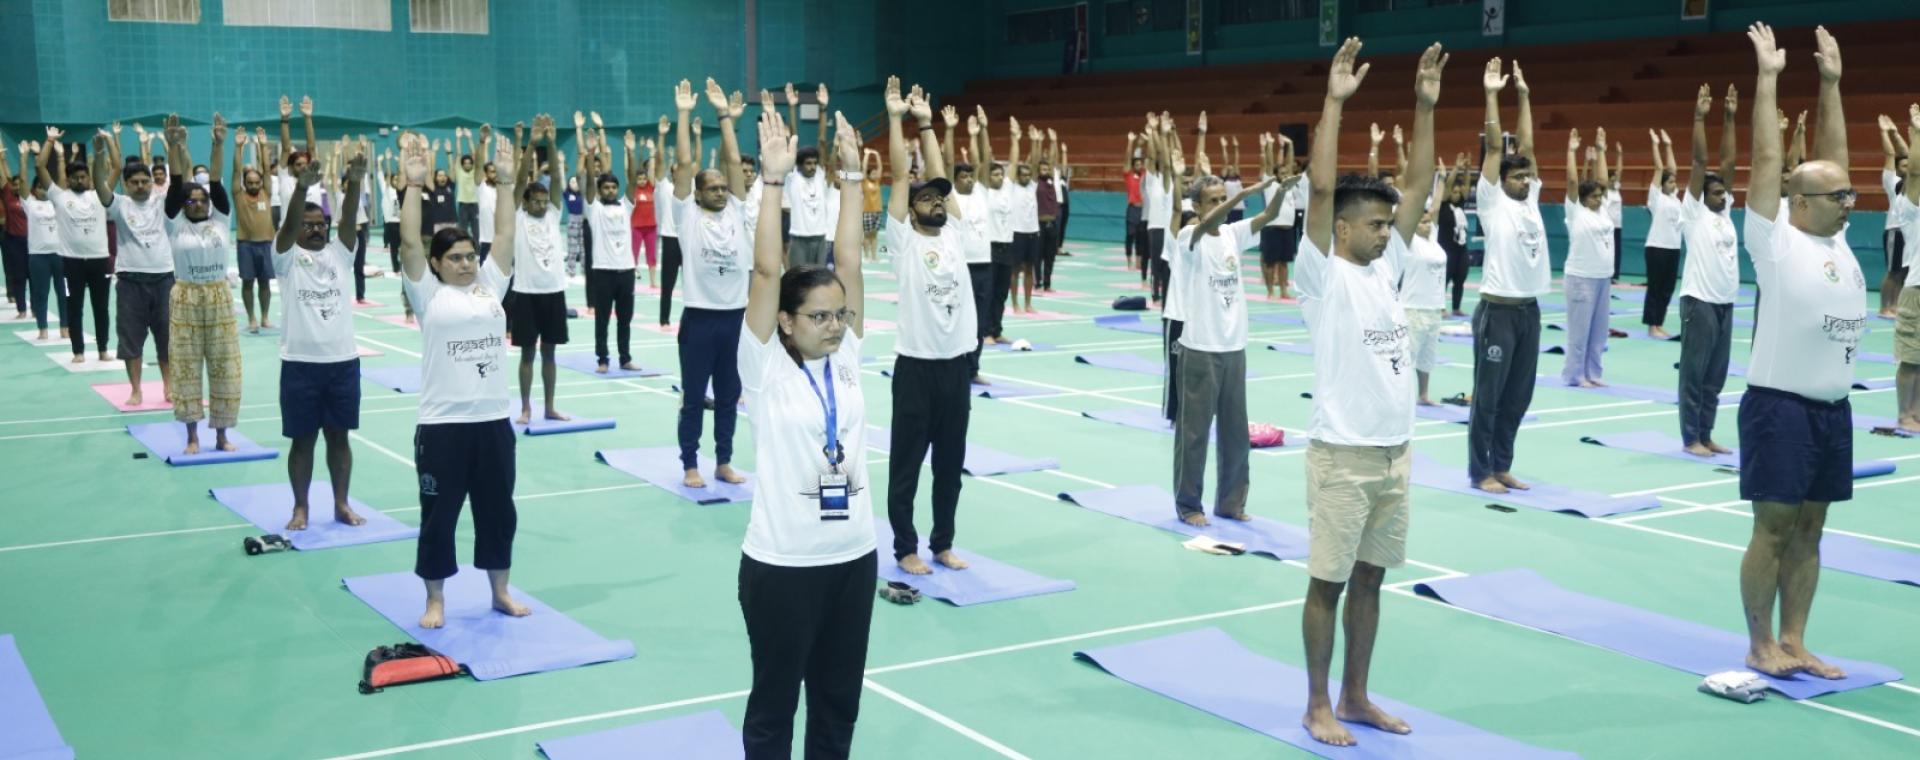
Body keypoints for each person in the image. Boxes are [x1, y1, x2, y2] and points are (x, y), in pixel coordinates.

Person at [1297, 39, 1441, 748]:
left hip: (1394, 457)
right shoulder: (1325, 275)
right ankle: (1318, 702)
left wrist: (1423, 107)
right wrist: (1335, 100)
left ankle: (1356, 695)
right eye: (1376, 224)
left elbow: (1415, 186)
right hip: (1343, 458)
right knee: (1327, 584)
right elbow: (1320, 190)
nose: (1389, 232)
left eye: (1390, 225)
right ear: (1343, 228)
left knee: (1372, 582)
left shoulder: (1387, 270)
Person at [737, 99, 873, 760]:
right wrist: (772, 182)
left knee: (838, 703)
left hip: (853, 558)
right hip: (783, 567)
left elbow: (848, 260)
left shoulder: (847, 354)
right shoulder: (763, 366)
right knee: (774, 705)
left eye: (838, 316)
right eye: (818, 316)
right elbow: (767, 270)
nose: (834, 325)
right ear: (785, 321)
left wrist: (852, 179)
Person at [1736, 23, 1861, 681]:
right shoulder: (1777, 241)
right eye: (1839, 197)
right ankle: (1759, 643)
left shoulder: (1836, 240)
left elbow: (1832, 157)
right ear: (1799, 202)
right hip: (1778, 410)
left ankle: (1796, 638)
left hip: (1831, 412)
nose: (1851, 202)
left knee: (1812, 532)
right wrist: (1768, 79)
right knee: (1776, 530)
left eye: (1849, 194)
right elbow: (1764, 162)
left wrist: (1833, 84)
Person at [397, 128, 530, 630]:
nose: (466, 263)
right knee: (440, 516)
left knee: (498, 513)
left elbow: (507, 235)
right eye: (454, 258)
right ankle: (436, 600)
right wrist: (413, 186)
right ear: (435, 264)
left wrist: (509, 183)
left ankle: (499, 590)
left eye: (470, 256)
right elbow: (409, 239)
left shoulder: (489, 285)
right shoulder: (428, 295)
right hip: (443, 427)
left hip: (493, 423)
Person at [880, 78, 980, 575]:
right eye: (927, 200)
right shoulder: (902, 243)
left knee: (949, 469)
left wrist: (929, 122)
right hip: (916, 370)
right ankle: (905, 547)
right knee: (906, 468)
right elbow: (903, 176)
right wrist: (899, 119)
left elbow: (938, 173)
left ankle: (943, 542)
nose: (937, 202)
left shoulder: (956, 235)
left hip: (955, 370)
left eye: (940, 199)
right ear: (912, 211)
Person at [1169, 166, 1288, 529]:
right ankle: (1189, 504)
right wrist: (1244, 193)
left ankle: (1231, 502)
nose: (1222, 205)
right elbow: (1209, 223)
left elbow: (1268, 215)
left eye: (1224, 199)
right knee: (1194, 433)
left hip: (1234, 346)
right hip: (1200, 348)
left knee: (1236, 433)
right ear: (1198, 207)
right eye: (1214, 201)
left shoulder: (1234, 235)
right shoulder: (1190, 235)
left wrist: (1282, 189)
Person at [272, 144, 366, 532]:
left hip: (342, 363)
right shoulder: (287, 258)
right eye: (307, 225)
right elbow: (288, 228)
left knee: (339, 438)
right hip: (300, 365)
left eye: (320, 224)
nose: (315, 229)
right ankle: (301, 508)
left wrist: (356, 182)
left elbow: (346, 221)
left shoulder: (340, 256)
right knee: (303, 441)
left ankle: (341, 504)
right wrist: (301, 190)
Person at [1468, 55, 1546, 495]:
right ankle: (1481, 471)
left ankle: (1503, 464)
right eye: (1518, 177)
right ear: (1503, 180)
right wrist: (1493, 95)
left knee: (1518, 397)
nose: (1525, 181)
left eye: (1528, 176)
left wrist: (1525, 96)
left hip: (1528, 312)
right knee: (1490, 396)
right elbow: (1497, 148)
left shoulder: (1531, 200)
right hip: (1497, 310)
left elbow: (1528, 146)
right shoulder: (1492, 200)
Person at [674, 78, 756, 489]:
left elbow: (733, 160)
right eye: (714, 188)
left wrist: (726, 118)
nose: (722, 192)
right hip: (701, 320)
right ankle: (690, 462)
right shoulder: (687, 216)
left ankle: (724, 460)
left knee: (729, 396)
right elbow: (686, 167)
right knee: (693, 399)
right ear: (698, 193)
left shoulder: (736, 213)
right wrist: (686, 112)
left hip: (735, 320)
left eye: (725, 187)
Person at [161, 114, 242, 455]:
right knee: (186, 366)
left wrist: (218, 143)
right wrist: (176, 145)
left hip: (219, 297)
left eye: (202, 200)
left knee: (224, 365)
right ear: (182, 206)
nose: (196, 203)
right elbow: (177, 182)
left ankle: (222, 435)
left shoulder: (221, 220)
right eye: (190, 200)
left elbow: (219, 180)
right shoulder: (176, 224)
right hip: (186, 299)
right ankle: (192, 435)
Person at [1676, 84, 1742, 455]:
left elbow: (1729, 164)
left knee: (1715, 375)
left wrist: (1731, 117)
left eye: (1724, 194)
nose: (1723, 197)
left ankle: (1706, 432)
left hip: (1724, 302)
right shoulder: (1694, 212)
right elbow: (1701, 164)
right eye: (1716, 193)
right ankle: (1690, 437)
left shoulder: (1724, 212)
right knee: (1695, 374)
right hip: (1698, 301)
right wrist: (1701, 117)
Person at [96, 124, 175, 408]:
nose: (141, 185)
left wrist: (173, 145)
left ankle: (168, 386)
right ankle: (136, 389)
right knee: (131, 338)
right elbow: (100, 187)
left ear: (152, 182)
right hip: (130, 281)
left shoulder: (162, 203)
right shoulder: (118, 205)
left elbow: (179, 177)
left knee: (167, 337)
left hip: (164, 279)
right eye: (135, 182)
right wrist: (97, 158)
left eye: (145, 181)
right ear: (126, 185)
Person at [510, 118, 573, 427]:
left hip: (553, 292)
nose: (540, 205)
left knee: (550, 353)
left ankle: (549, 406)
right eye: (534, 201)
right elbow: (520, 181)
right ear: (525, 201)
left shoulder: (553, 214)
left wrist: (552, 143)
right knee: (527, 354)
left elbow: (558, 181)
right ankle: (525, 407)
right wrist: (531, 144)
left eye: (543, 200)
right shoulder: (518, 215)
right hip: (526, 293)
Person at [577, 111, 640, 373]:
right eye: (607, 188)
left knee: (625, 319)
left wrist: (630, 152)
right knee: (602, 319)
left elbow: (634, 180)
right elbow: (589, 184)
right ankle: (603, 359)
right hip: (602, 271)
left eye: (614, 187)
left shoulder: (626, 206)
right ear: (600, 190)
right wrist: (591, 153)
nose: (611, 191)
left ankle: (625, 358)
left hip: (626, 271)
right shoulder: (594, 209)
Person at [43, 133, 111, 364]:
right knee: (74, 308)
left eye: (83, 177)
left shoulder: (100, 196)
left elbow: (114, 169)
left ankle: (103, 350)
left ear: (89, 178)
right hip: (70, 264)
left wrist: (102, 149)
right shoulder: (59, 197)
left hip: (99, 261)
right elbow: (41, 165)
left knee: (101, 308)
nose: (80, 181)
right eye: (75, 177)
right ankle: (78, 352)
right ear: (69, 179)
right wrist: (50, 142)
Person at [1561, 127, 1617, 388]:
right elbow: (1572, 182)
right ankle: (1575, 375)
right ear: (1583, 199)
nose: (1599, 199)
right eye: (1594, 197)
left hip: (1603, 278)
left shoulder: (1602, 210)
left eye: (1599, 196)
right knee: (1579, 332)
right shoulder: (1576, 211)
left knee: (1598, 332)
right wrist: (1572, 152)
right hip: (1581, 278)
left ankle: (1593, 373)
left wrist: (1603, 151)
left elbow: (1603, 182)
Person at [953, 116, 995, 385]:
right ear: (955, 180)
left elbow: (983, 162)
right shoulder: (951, 197)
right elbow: (945, 163)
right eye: (964, 176)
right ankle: (954, 369)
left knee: (979, 322)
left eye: (971, 175)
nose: (969, 179)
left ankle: (973, 370)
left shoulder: (982, 193)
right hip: (959, 266)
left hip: (983, 265)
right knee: (957, 320)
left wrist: (979, 132)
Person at [13, 141, 69, 340]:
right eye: (39, 187)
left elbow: (62, 182)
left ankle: (65, 327)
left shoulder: (59, 203)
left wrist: (61, 156)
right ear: (35, 190)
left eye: (45, 187)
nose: (43, 190)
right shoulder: (30, 204)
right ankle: (43, 328)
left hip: (60, 254)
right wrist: (23, 157)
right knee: (40, 294)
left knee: (63, 294)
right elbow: (23, 182)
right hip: (38, 257)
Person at [974, 105, 1018, 346]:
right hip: (989, 247)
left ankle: (997, 329)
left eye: (1002, 175)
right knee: (988, 293)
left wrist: (1015, 138)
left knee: (1002, 293)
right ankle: (984, 332)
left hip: (1006, 246)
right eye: (995, 175)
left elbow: (1013, 160)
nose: (1000, 177)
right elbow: (985, 158)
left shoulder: (1008, 189)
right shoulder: (984, 192)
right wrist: (984, 128)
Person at [781, 84, 835, 269]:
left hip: (820, 238)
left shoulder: (820, 175)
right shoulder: (793, 178)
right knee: (797, 281)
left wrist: (823, 108)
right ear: (799, 164)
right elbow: (793, 139)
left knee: (818, 282)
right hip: (799, 239)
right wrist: (792, 107)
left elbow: (821, 139)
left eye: (814, 163)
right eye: (808, 163)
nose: (812, 167)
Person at [232, 128, 276, 334]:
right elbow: (234, 170)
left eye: (257, 182)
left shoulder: (266, 192)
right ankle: (251, 318)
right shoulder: (238, 194)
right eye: (250, 182)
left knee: (265, 282)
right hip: (246, 244)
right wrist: (239, 147)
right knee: (248, 282)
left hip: (266, 243)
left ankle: (265, 316)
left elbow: (266, 169)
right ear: (244, 183)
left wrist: (262, 144)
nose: (254, 185)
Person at [1643, 128, 1684, 339]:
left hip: (1673, 248)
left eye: (1674, 182)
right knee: (1655, 288)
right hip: (1657, 247)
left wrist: (1670, 145)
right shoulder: (1656, 198)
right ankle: (1652, 326)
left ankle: (1659, 323)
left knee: (1667, 289)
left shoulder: (1676, 198)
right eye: (1670, 182)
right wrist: (1656, 144)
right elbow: (1660, 168)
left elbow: (1672, 168)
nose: (1674, 184)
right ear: (1661, 184)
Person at [1895, 110, 1920, 434]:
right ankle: (1904, 414)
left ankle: (1916, 412)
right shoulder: (1910, 209)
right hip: (1916, 289)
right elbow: (1914, 172)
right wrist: (1916, 132)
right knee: (1911, 359)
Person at [1876, 113, 1910, 318]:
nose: (1909, 166)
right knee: (1893, 272)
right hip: (1895, 231)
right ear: (1897, 169)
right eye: (1904, 165)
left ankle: (1896, 306)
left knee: (1904, 272)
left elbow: (1909, 155)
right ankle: (1884, 306)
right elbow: (1890, 154)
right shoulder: (1892, 181)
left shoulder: (1914, 184)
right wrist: (1885, 132)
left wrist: (1897, 133)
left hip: (1911, 233)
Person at [1007, 123, 1043, 314]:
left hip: (1032, 232)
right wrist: (1020, 140)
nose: (1027, 177)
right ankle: (1014, 303)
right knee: (1015, 270)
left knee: (1030, 270)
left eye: (1030, 175)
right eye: (1024, 174)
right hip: (1017, 232)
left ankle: (1028, 303)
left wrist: (1036, 141)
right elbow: (1016, 165)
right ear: (1018, 176)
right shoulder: (1012, 187)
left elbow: (1036, 163)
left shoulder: (1032, 186)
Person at [1035, 130, 1063, 292]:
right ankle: (1037, 283)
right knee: (1038, 257)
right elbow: (1035, 162)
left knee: (1050, 257)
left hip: (1053, 223)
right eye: (1043, 168)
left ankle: (1047, 284)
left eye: (1047, 168)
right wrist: (1038, 143)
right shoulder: (1035, 182)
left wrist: (1053, 142)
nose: (1045, 170)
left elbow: (1054, 161)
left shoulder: (1053, 180)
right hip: (1038, 224)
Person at [629, 144, 660, 288]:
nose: (642, 180)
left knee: (652, 255)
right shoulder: (633, 189)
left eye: (644, 178)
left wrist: (652, 154)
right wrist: (628, 152)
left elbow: (652, 170)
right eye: (639, 178)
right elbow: (627, 170)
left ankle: (653, 282)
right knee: (633, 254)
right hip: (636, 227)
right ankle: (630, 281)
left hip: (651, 227)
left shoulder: (651, 187)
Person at [452, 128, 480, 240]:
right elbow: (458, 154)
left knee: (476, 230)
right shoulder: (459, 171)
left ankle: (477, 252)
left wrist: (469, 138)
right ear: (462, 165)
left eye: (469, 163)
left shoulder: (475, 171)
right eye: (465, 163)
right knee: (462, 231)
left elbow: (474, 154)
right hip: (463, 204)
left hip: (475, 204)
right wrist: (458, 138)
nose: (467, 165)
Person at [1124, 149, 1146, 273]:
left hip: (1142, 209)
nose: (1139, 166)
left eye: (1140, 164)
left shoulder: (1144, 175)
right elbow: (1127, 161)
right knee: (1130, 236)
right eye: (1137, 164)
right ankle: (1129, 261)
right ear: (1133, 166)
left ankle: (1138, 261)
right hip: (1132, 209)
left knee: (1140, 237)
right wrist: (1130, 143)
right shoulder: (1128, 176)